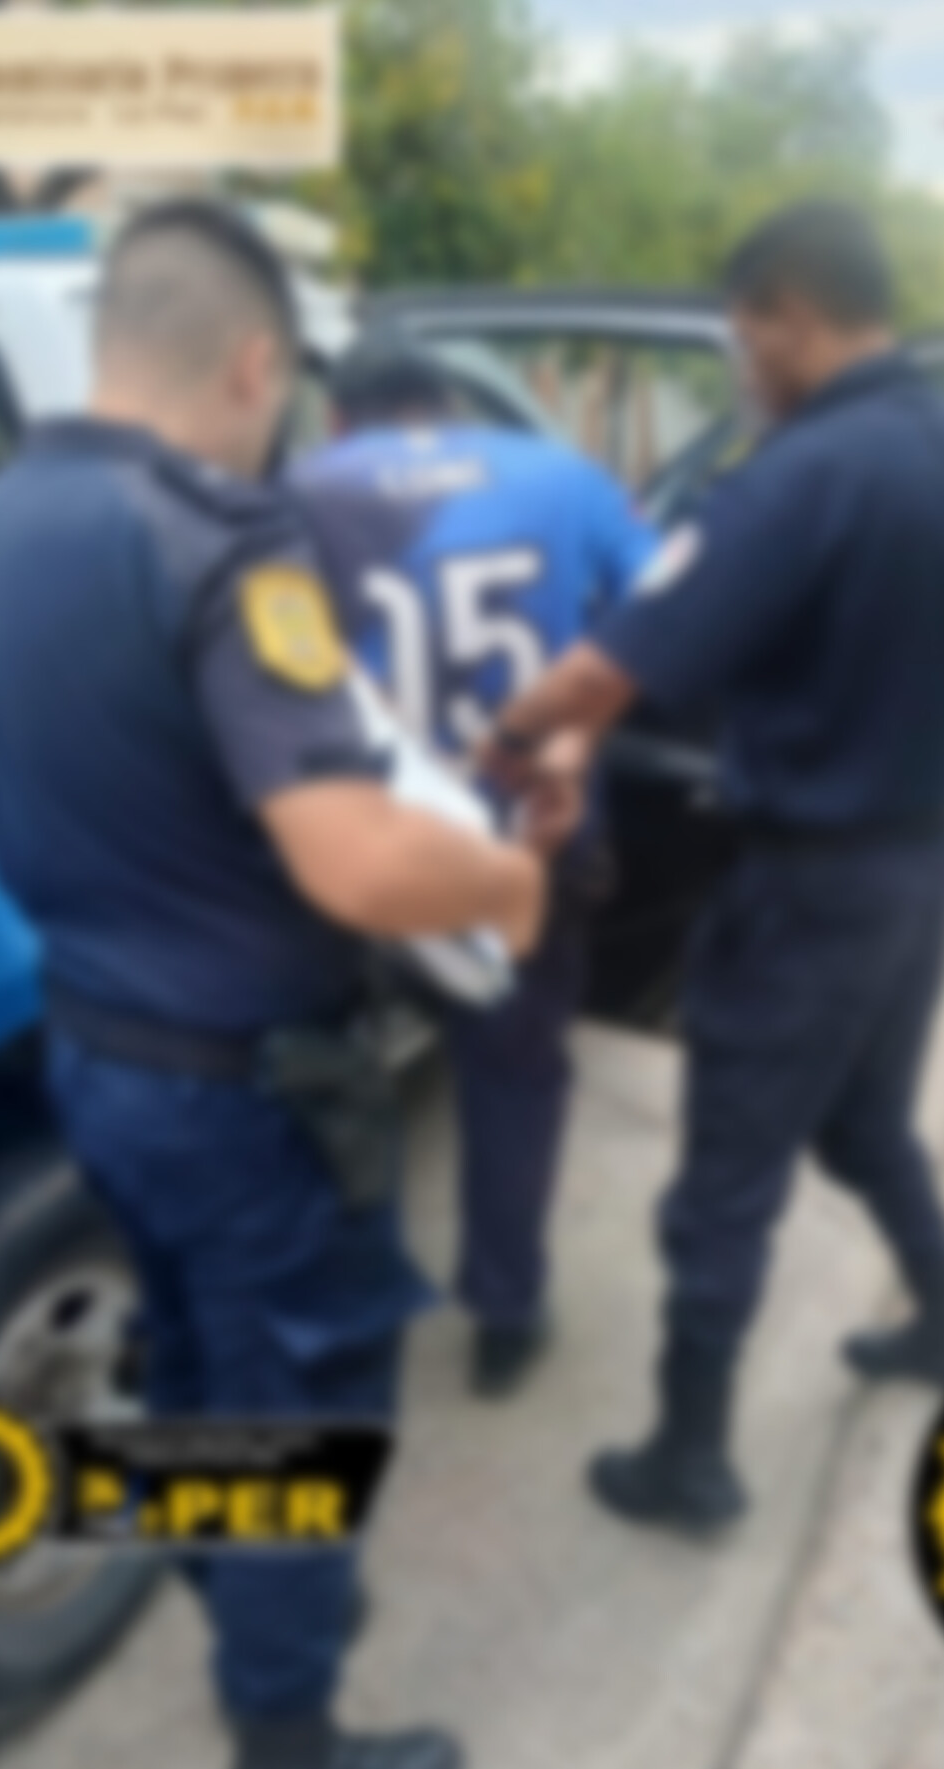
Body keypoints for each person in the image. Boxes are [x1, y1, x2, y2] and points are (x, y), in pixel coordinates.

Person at [0, 200, 544, 1769]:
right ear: (255, 361)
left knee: (200, 1369)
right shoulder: (219, 541)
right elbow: (356, 861)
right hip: (247, 1094)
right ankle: (288, 1760)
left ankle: (255, 1603)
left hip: (93, 1056)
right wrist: (508, 882)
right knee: (310, 1404)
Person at [481, 199, 944, 1539]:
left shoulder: (790, 479)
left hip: (803, 892)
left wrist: (491, 748)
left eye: (744, 340)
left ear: (793, 317)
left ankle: (688, 1460)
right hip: (916, 872)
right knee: (863, 1126)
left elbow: (600, 671)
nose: (740, 367)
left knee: (721, 1189)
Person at [295, 344, 654, 1397]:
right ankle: (504, 1312)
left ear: (337, 418)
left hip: (362, 843)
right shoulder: (564, 476)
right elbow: (659, 621)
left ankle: (334, 1310)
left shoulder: (296, 495)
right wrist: (575, 741)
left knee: (329, 1074)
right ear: (450, 406)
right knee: (512, 1080)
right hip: (523, 840)